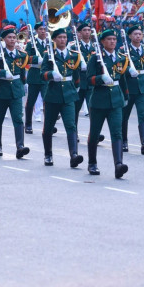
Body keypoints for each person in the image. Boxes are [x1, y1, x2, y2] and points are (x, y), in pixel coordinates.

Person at [86, 29, 129, 178]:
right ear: (103, 42)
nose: (112, 42)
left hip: (116, 100)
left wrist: (126, 95)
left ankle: (118, 164)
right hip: (99, 99)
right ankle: (92, 163)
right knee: (95, 133)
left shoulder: (121, 58)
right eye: (109, 39)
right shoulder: (96, 58)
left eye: (114, 39)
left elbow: (122, 78)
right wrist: (100, 78)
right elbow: (89, 79)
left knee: (117, 132)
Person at [40, 27, 84, 167]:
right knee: (48, 127)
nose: (63, 40)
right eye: (59, 37)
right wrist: (51, 75)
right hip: (53, 94)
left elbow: (76, 73)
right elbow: (43, 74)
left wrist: (75, 87)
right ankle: (48, 154)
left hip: (69, 95)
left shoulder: (74, 55)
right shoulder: (49, 55)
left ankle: (74, 155)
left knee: (71, 125)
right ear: (54, 40)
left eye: (65, 37)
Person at [0, 24, 30, 159]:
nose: (12, 40)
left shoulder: (21, 54)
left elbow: (22, 70)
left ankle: (20, 146)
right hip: (2, 90)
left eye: (14, 37)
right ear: (4, 40)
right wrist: (2, 73)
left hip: (16, 91)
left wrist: (24, 84)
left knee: (18, 119)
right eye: (9, 37)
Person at [121, 25, 144, 155]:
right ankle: (124, 141)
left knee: (143, 115)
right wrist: (128, 70)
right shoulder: (124, 50)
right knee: (125, 116)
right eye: (135, 34)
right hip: (129, 86)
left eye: (140, 34)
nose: (138, 36)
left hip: (142, 86)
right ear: (130, 36)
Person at [24, 22, 48, 134]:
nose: (43, 31)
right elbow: (26, 57)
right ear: (37, 31)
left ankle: (48, 126)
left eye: (44, 29)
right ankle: (28, 124)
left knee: (47, 101)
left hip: (46, 76)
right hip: (34, 75)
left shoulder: (49, 43)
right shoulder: (31, 43)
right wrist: (36, 60)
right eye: (40, 29)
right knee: (31, 102)